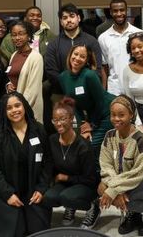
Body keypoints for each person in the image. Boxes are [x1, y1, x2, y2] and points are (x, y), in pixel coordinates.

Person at [98, 95, 143, 236]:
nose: (116, 119)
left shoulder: (141, 137)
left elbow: (139, 172)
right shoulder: (109, 136)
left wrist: (114, 189)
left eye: (121, 115)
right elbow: (105, 165)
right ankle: (132, 213)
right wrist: (113, 188)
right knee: (102, 188)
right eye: (113, 115)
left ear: (131, 115)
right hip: (127, 182)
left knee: (121, 192)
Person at [0, 92, 52, 237]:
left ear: (24, 106)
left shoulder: (38, 129)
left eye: (17, 105)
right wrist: (8, 194)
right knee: (13, 231)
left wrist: (41, 189)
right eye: (9, 108)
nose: (14, 110)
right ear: (4, 111)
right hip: (6, 190)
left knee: (39, 231)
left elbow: (48, 162)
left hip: (33, 188)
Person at [43, 98, 101, 229]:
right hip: (65, 183)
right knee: (48, 197)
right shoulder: (52, 140)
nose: (58, 123)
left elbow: (91, 179)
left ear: (71, 119)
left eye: (62, 119)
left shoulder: (83, 146)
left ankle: (93, 207)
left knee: (67, 197)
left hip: (85, 184)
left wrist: (67, 178)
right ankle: (71, 206)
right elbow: (49, 165)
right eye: (55, 120)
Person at [57, 44, 114, 155]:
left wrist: (91, 125)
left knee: (91, 146)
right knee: (82, 143)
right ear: (70, 55)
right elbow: (73, 105)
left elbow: (101, 103)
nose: (77, 58)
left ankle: (99, 172)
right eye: (76, 54)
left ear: (86, 61)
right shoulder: (63, 77)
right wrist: (83, 127)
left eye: (82, 57)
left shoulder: (89, 75)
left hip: (107, 114)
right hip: (92, 117)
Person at [46, 3, 106, 97]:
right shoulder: (53, 44)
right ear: (61, 22)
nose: (69, 20)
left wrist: (82, 86)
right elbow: (51, 73)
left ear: (78, 18)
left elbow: (96, 69)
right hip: (61, 94)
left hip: (87, 94)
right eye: (65, 18)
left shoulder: (91, 41)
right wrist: (69, 86)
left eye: (72, 16)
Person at [99, 0, 143, 96]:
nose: (119, 14)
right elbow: (104, 67)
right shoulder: (103, 38)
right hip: (114, 90)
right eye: (115, 11)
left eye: (122, 10)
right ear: (110, 12)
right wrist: (103, 91)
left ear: (126, 10)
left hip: (137, 87)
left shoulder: (139, 34)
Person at [5, 20, 45, 122]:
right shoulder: (14, 55)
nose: (17, 38)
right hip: (15, 110)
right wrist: (9, 85)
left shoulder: (36, 57)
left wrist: (19, 109)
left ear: (28, 36)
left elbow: (33, 91)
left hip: (28, 109)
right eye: (14, 35)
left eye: (21, 34)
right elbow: (13, 76)